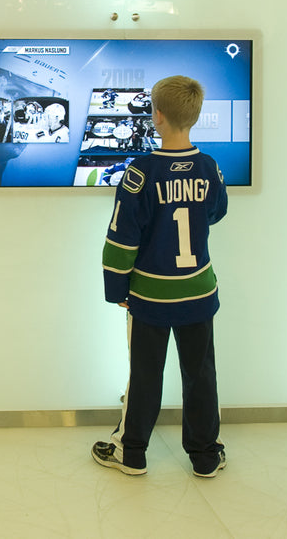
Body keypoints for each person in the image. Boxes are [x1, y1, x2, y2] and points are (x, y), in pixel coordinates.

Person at [93, 75, 228, 478]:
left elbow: (122, 237)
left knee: (145, 375)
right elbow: (216, 213)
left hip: (150, 296)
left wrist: (116, 286)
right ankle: (205, 456)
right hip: (199, 292)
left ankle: (131, 453)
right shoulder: (209, 167)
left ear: (157, 116)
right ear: (196, 116)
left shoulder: (140, 172)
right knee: (201, 375)